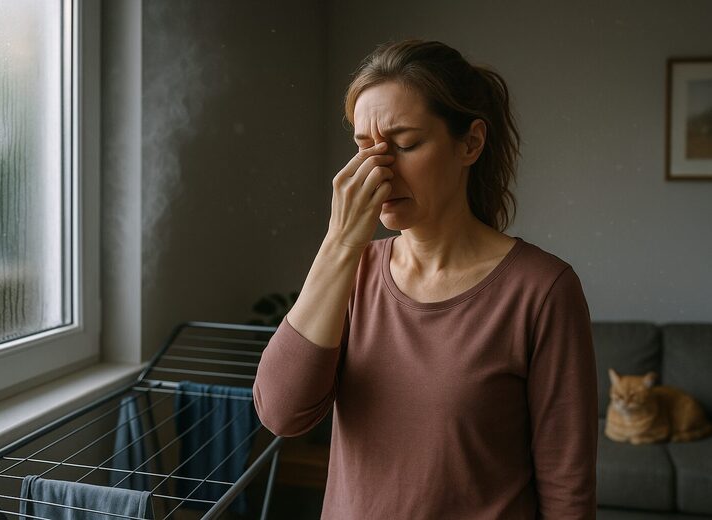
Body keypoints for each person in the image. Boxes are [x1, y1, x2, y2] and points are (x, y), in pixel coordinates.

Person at [253, 39, 598, 519]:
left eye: (405, 144)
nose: (378, 170)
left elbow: (568, 489)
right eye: (363, 146)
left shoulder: (542, 291)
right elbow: (282, 414)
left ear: (470, 143)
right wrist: (338, 244)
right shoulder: (351, 271)